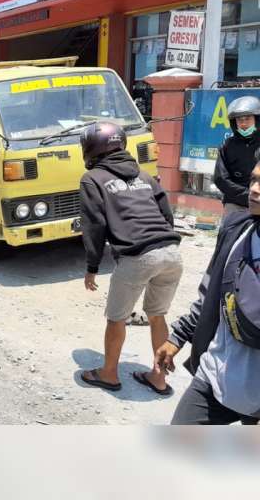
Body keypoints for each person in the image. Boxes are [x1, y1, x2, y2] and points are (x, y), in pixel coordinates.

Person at [78, 122, 183, 395]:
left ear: (91, 148)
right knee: (158, 315)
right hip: (171, 253)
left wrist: (91, 267)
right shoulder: (145, 176)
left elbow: (94, 225)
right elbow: (166, 215)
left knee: (117, 318)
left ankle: (109, 374)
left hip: (138, 256)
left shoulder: (93, 179)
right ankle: (159, 378)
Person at [155, 159, 260, 425]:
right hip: (216, 375)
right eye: (254, 181)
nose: (255, 190)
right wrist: (178, 337)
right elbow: (210, 292)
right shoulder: (238, 229)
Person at [213, 95, 260, 215]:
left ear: (256, 119)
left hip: (259, 200)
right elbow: (220, 178)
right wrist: (246, 195)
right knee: (229, 232)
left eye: (247, 119)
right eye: (240, 120)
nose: (243, 123)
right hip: (235, 204)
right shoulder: (227, 145)